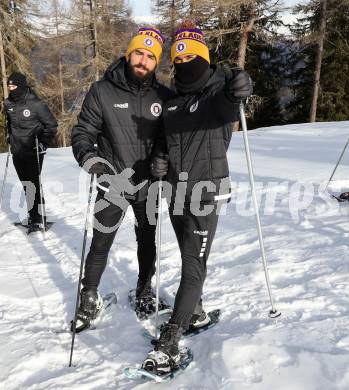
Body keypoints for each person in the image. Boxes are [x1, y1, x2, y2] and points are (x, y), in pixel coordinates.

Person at [142, 21, 253, 375]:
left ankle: (170, 340)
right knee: (188, 257)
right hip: (175, 192)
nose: (184, 60)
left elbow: (228, 104)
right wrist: (159, 158)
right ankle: (197, 312)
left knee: (193, 267)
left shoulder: (216, 94)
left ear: (204, 56)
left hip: (206, 193)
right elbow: (164, 140)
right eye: (178, 55)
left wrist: (238, 91)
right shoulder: (172, 101)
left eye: (191, 53)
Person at [71, 27, 171, 330]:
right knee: (101, 242)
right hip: (112, 181)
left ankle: (143, 290)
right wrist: (89, 158)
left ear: (156, 62)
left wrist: (162, 158)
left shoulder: (163, 95)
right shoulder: (102, 90)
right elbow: (83, 131)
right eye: (139, 52)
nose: (143, 60)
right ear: (129, 54)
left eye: (150, 56)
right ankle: (89, 295)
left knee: (147, 241)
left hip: (148, 185)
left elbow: (169, 137)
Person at [3, 72, 57, 231]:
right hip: (18, 151)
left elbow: (52, 125)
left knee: (33, 184)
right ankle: (33, 216)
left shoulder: (36, 104)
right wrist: (9, 136)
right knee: (26, 185)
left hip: (34, 151)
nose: (10, 89)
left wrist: (43, 142)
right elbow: (9, 123)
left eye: (13, 86)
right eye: (9, 86)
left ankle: (39, 218)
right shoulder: (8, 104)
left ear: (20, 86)